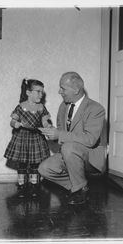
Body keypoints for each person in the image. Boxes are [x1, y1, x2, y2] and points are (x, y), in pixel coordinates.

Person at [38, 72, 105, 205]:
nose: (59, 91)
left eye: (62, 88)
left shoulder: (96, 108)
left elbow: (90, 140)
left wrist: (59, 135)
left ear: (76, 89)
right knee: (44, 169)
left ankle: (79, 190)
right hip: (69, 153)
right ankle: (80, 186)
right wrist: (51, 132)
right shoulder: (64, 106)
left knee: (69, 147)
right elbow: (62, 132)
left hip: (90, 158)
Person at [4, 78, 52, 197]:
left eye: (42, 92)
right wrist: (16, 124)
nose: (41, 94)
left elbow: (45, 121)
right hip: (22, 138)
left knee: (35, 163)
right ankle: (21, 185)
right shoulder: (21, 107)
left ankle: (34, 185)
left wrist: (48, 126)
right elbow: (12, 121)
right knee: (22, 163)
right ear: (28, 92)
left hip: (36, 137)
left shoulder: (41, 107)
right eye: (38, 91)